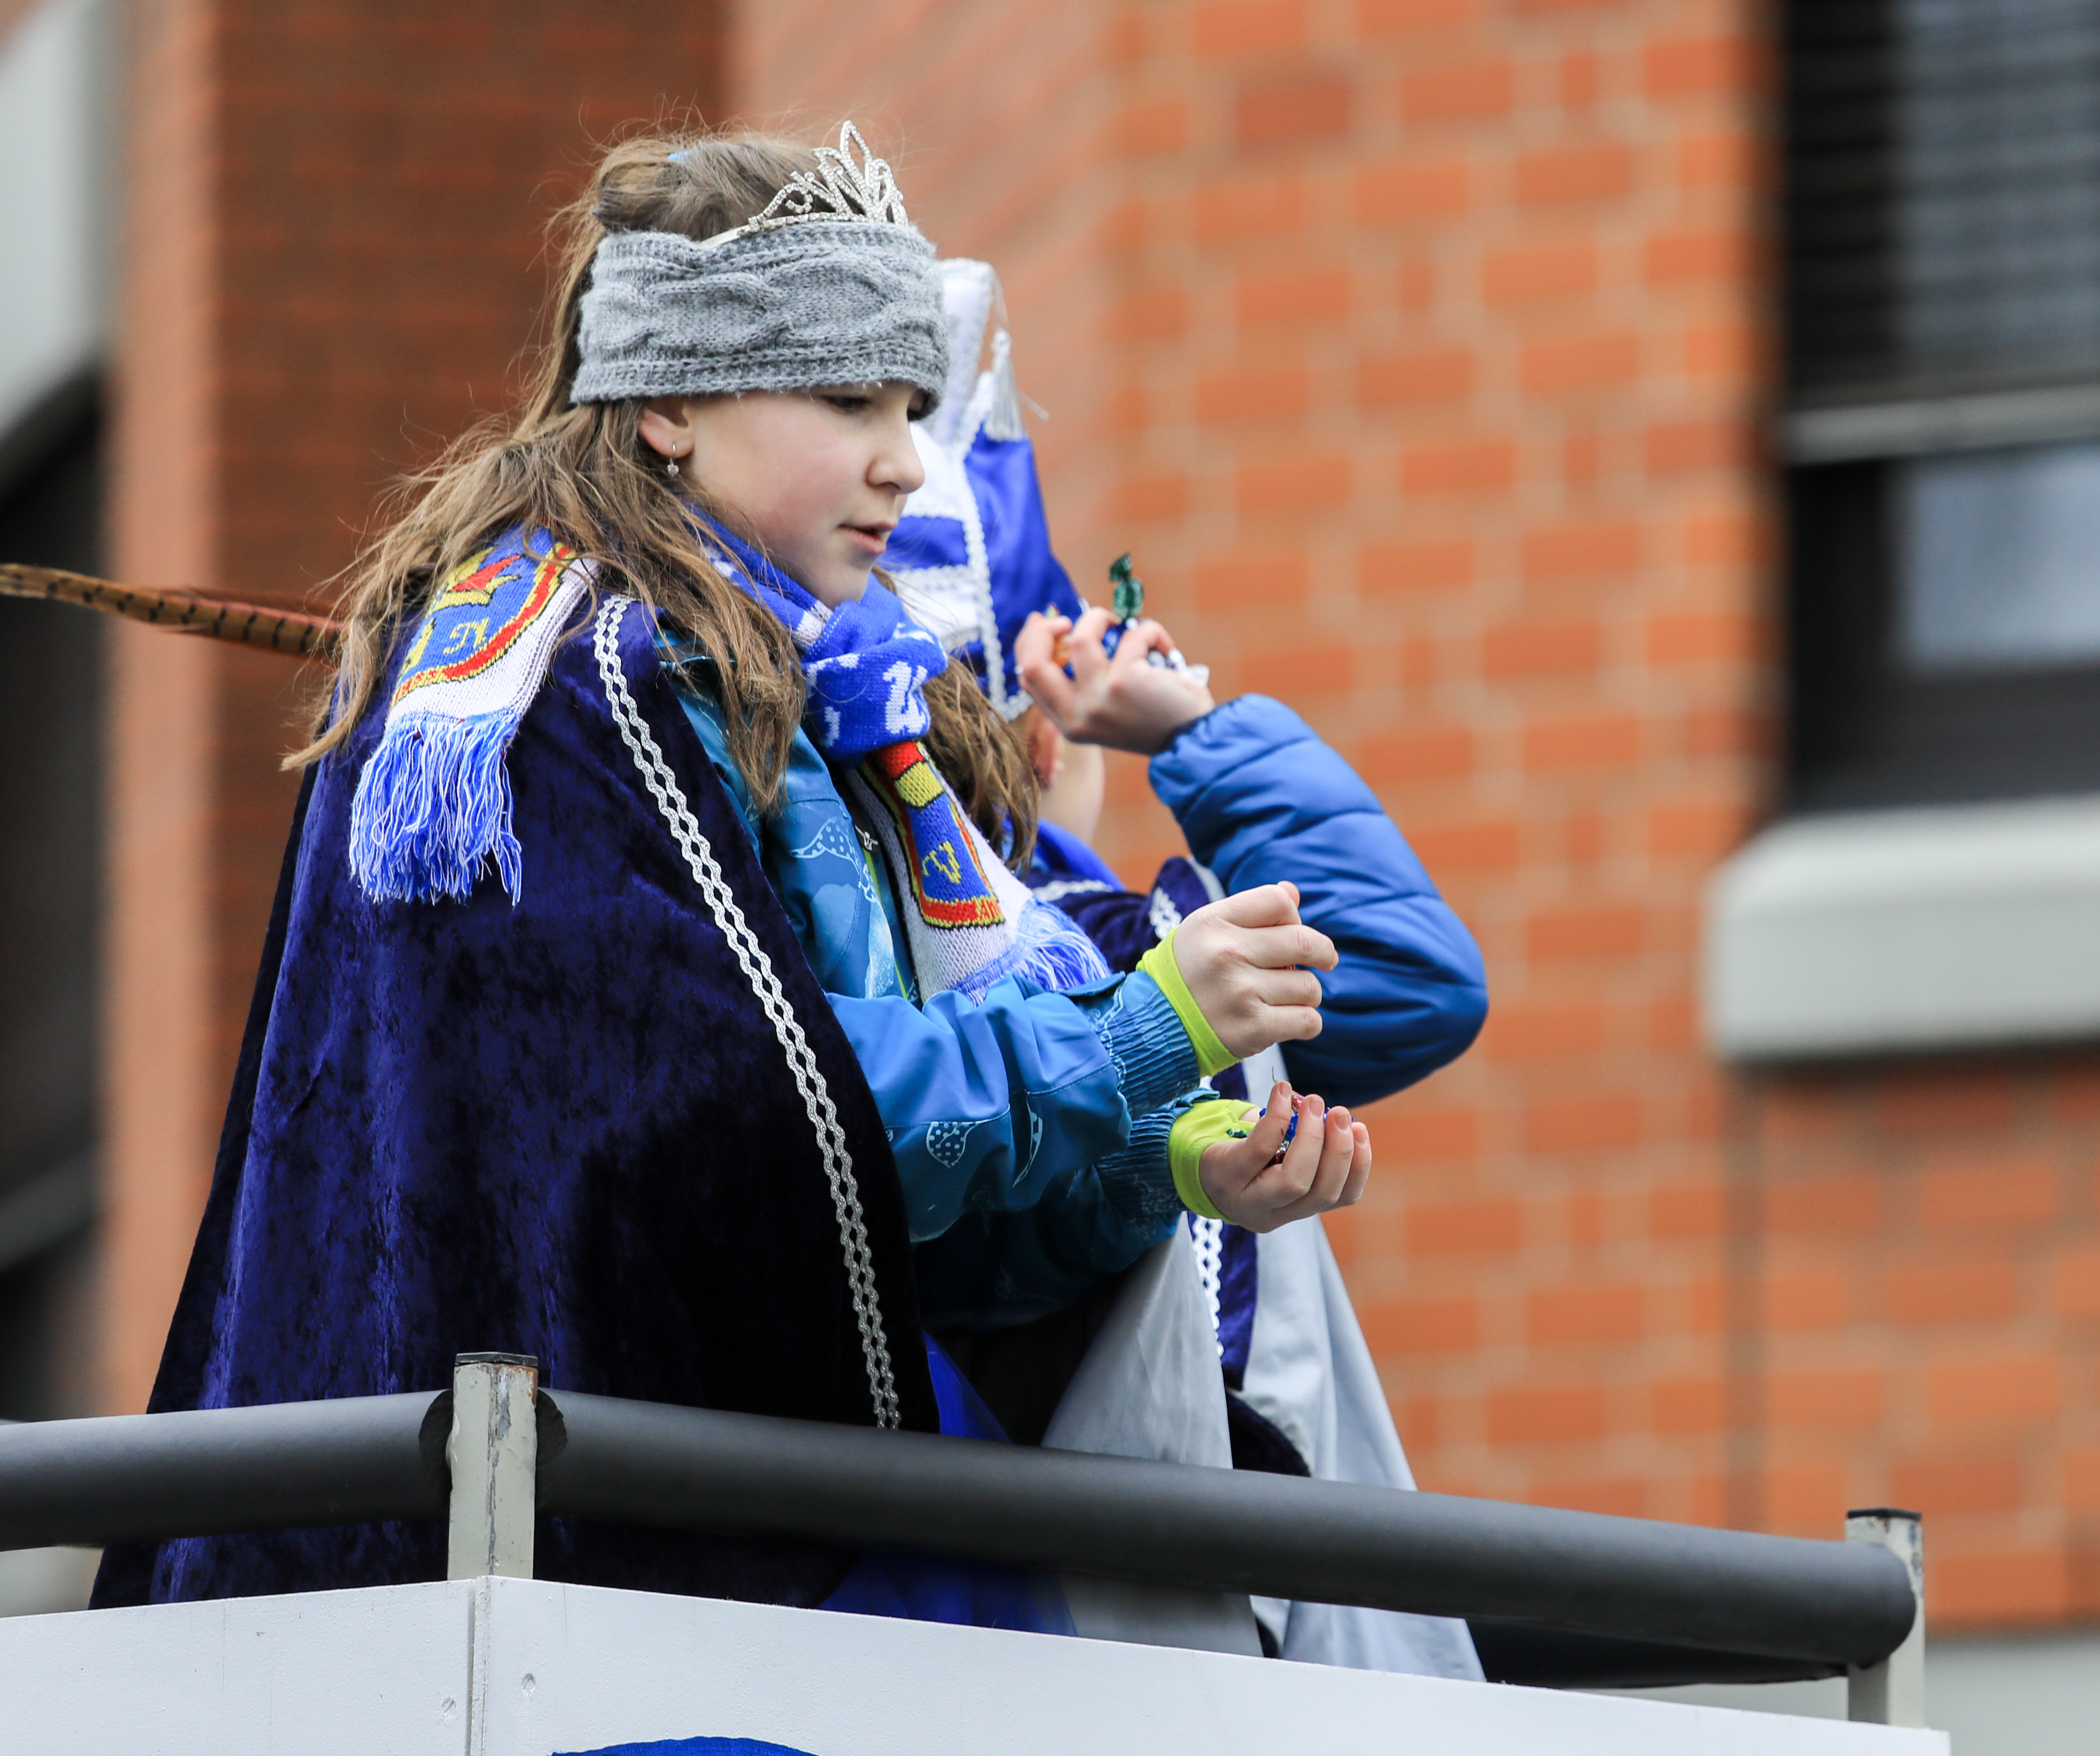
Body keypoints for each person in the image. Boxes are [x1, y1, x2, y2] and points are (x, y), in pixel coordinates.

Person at [91, 122, 1371, 1626]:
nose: (904, 458)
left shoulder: (776, 679)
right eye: (846, 397)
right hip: (611, 1591)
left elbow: (848, 1213)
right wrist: (1140, 1034)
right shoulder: (563, 693)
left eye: (911, 403)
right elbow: (752, 1118)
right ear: (671, 403)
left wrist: (1155, 1170)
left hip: (748, 1538)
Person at [878, 268, 1488, 1673]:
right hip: (1119, 1603)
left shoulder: (1074, 931)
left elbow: (1407, 985)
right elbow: (1416, 972)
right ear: (1045, 740)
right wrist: (1190, 728)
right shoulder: (1116, 943)